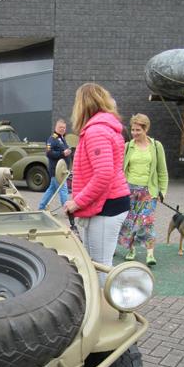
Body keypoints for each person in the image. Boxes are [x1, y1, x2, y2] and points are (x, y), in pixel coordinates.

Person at [63, 83, 130, 286]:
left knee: (99, 266)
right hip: (109, 203)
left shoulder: (96, 131)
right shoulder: (106, 128)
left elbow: (103, 175)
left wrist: (76, 203)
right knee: (95, 263)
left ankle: (103, 304)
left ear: (83, 104)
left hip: (106, 206)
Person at [117, 113, 168, 266]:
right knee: (129, 223)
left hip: (148, 191)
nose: (134, 133)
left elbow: (162, 171)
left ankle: (150, 253)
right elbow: (120, 169)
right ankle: (131, 249)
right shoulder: (128, 147)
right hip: (129, 191)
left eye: (138, 130)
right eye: (133, 130)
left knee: (147, 222)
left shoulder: (156, 146)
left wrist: (162, 191)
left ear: (146, 129)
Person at [38, 118, 71, 209]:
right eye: (60, 127)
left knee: (51, 189)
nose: (62, 129)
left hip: (61, 170)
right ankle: (67, 210)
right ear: (56, 127)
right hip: (56, 170)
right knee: (63, 189)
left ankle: (41, 207)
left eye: (64, 128)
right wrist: (62, 153)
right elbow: (49, 153)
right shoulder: (52, 139)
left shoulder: (62, 138)